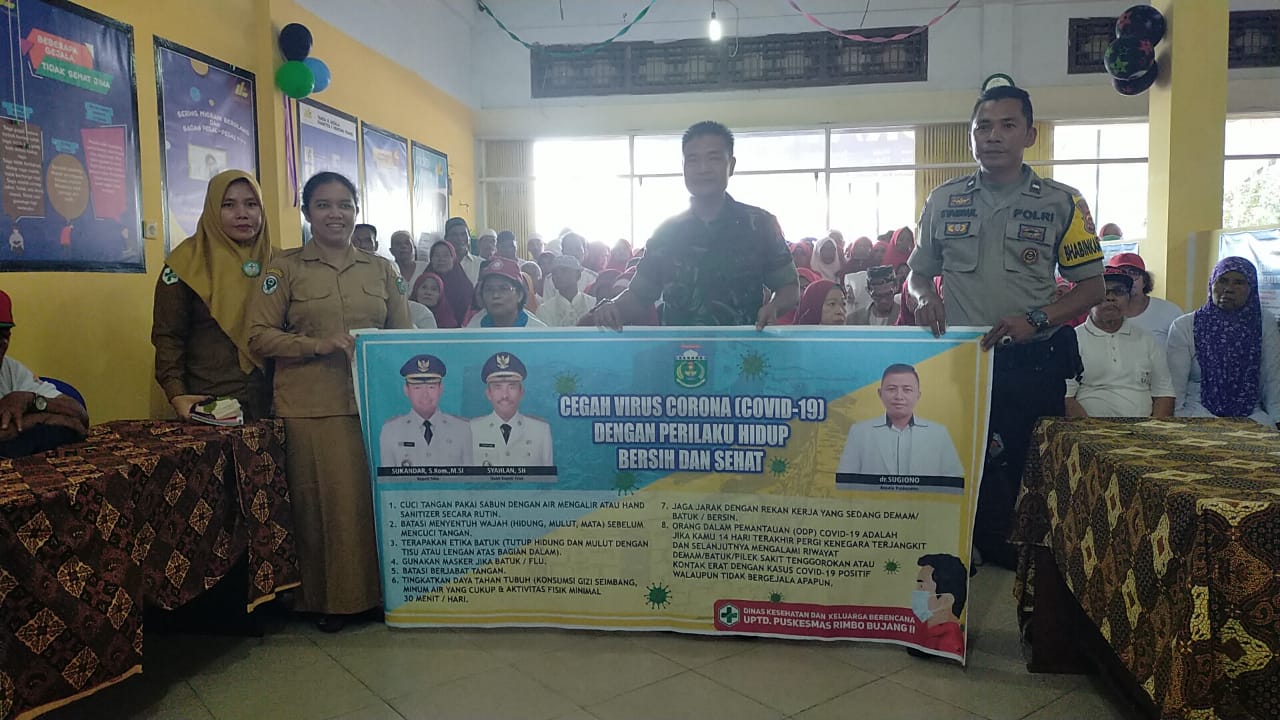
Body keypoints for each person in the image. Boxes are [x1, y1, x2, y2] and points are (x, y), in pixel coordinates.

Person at [907, 85, 1103, 567]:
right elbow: (916, 274)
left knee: (1027, 466)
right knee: (958, 460)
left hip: (1031, 363)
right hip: (962, 364)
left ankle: (1023, 558)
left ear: (1029, 135)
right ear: (971, 135)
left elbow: (1092, 288)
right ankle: (961, 547)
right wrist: (925, 297)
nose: (993, 136)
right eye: (983, 127)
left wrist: (1036, 319)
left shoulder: (1063, 202)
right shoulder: (944, 200)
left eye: (1007, 125)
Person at [247, 171, 411, 632]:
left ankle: (376, 595)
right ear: (307, 212)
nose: (335, 214)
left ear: (356, 211)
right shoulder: (284, 269)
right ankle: (328, 601)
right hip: (311, 406)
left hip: (375, 407)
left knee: (369, 505)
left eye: (344, 205)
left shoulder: (383, 270)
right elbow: (258, 336)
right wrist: (315, 345)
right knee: (324, 506)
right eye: (323, 205)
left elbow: (404, 336)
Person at [593, 121, 799, 330]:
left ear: (731, 165)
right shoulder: (667, 233)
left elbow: (789, 288)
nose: (703, 169)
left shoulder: (760, 224)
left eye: (713, 158)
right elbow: (639, 296)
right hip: (682, 349)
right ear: (683, 167)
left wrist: (774, 306)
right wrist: (612, 307)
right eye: (693, 160)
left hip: (741, 347)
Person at [153, 169, 274, 421]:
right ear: (211, 208)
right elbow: (168, 336)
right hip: (209, 402)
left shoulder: (280, 264)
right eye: (228, 205)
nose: (242, 213)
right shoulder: (185, 264)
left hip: (275, 401)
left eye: (251, 204)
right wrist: (176, 393)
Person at [1167, 256, 1280, 426]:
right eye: (1223, 281)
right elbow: (1176, 386)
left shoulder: (1263, 322)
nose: (1229, 289)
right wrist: (1177, 422)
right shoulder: (1185, 325)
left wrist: (1277, 419)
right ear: (1211, 284)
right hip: (1197, 412)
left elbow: (1272, 377)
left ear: (1252, 288)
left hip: (1251, 413)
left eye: (1239, 282)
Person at [1066, 269, 1174, 418]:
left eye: (1119, 291)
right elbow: (1066, 397)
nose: (1111, 298)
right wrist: (1091, 429)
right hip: (1089, 427)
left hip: (1143, 428)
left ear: (1129, 298)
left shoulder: (1147, 340)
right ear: (1088, 301)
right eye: (1103, 292)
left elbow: (1164, 394)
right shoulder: (1073, 340)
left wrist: (1154, 429)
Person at [836, 363, 964, 479]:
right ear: (880, 393)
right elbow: (845, 480)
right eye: (891, 389)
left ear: (918, 395)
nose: (899, 396)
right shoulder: (859, 432)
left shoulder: (938, 434)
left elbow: (954, 482)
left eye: (907, 390)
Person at [0, 291, 89, 458]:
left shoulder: (10, 368)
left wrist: (29, 399)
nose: (2, 344)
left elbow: (79, 415)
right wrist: (42, 419)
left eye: (4, 335)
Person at [378, 354, 471, 467]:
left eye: (431, 387)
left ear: (440, 389)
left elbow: (471, 476)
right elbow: (387, 477)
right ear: (406, 390)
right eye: (417, 387)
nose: (425, 395)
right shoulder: (391, 431)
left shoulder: (462, 429)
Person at [470, 352, 553, 466]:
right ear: (488, 393)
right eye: (497, 387)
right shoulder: (472, 430)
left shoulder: (540, 431)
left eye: (512, 387)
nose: (505, 395)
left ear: (521, 392)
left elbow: (547, 476)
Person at [1107, 252, 1183, 348]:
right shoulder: (1101, 314)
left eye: (1133, 273)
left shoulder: (1170, 312)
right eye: (1121, 274)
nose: (1128, 279)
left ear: (1145, 281)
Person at [466, 257, 548, 328]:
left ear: (520, 295)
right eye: (489, 289)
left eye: (504, 288)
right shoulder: (474, 328)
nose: (495, 295)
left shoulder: (538, 331)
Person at [912, 554, 967, 656]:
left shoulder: (948, 643)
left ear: (944, 600)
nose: (915, 593)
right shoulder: (924, 633)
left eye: (921, 586)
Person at [536, 255, 595, 327]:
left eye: (564, 271)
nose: (558, 275)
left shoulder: (592, 304)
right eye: (554, 273)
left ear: (578, 275)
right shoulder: (545, 310)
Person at [427, 240, 472, 327]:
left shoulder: (464, 286)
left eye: (446, 255)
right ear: (431, 259)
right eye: (436, 255)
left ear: (453, 258)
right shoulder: (423, 284)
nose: (441, 259)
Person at [445, 217, 482, 285]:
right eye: (454, 235)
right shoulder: (441, 264)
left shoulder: (481, 264)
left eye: (463, 234)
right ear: (446, 238)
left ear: (469, 237)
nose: (459, 238)